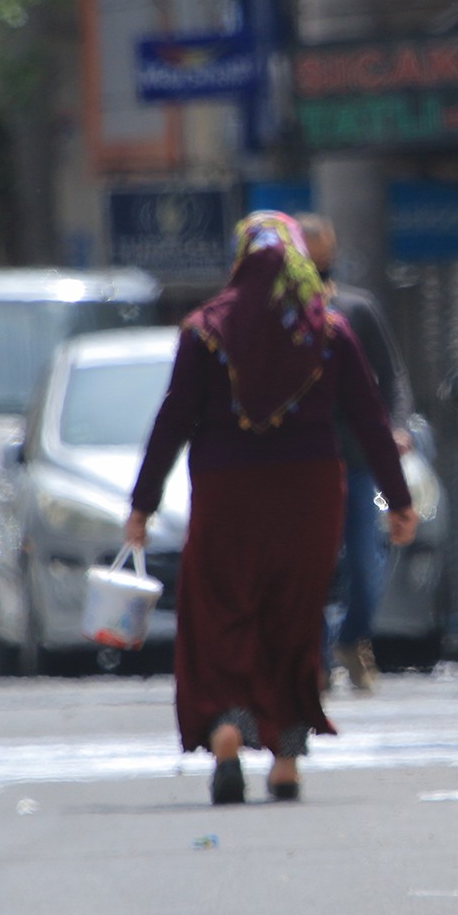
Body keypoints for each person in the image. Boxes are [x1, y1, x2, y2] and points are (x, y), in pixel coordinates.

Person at [125, 211, 417, 806]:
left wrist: (143, 503)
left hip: (226, 492)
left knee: (224, 611)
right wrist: (399, 499)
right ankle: (285, 758)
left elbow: (173, 419)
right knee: (293, 615)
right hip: (308, 494)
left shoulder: (205, 331)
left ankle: (229, 730)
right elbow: (369, 417)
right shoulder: (328, 330)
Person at [295, 212, 413, 694]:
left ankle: (352, 638)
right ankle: (315, 656)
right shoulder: (282, 319)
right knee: (310, 567)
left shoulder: (355, 312)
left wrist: (398, 428)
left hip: (360, 463)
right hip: (305, 466)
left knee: (366, 563)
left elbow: (393, 380)